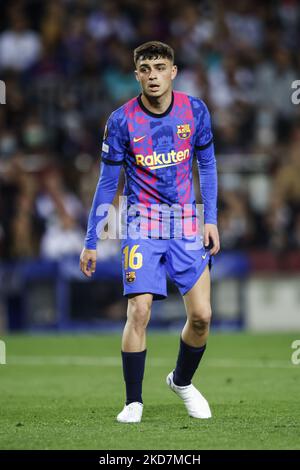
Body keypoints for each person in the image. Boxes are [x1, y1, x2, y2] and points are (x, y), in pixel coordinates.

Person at [80, 41, 220, 423]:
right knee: (139, 311)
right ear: (137, 75)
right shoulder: (122, 120)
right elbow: (107, 184)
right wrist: (91, 240)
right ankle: (133, 402)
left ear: (173, 72)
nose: (153, 75)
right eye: (146, 68)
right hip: (141, 221)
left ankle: (181, 381)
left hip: (187, 222)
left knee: (203, 317)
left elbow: (206, 166)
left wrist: (211, 219)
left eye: (160, 67)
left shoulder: (195, 111)